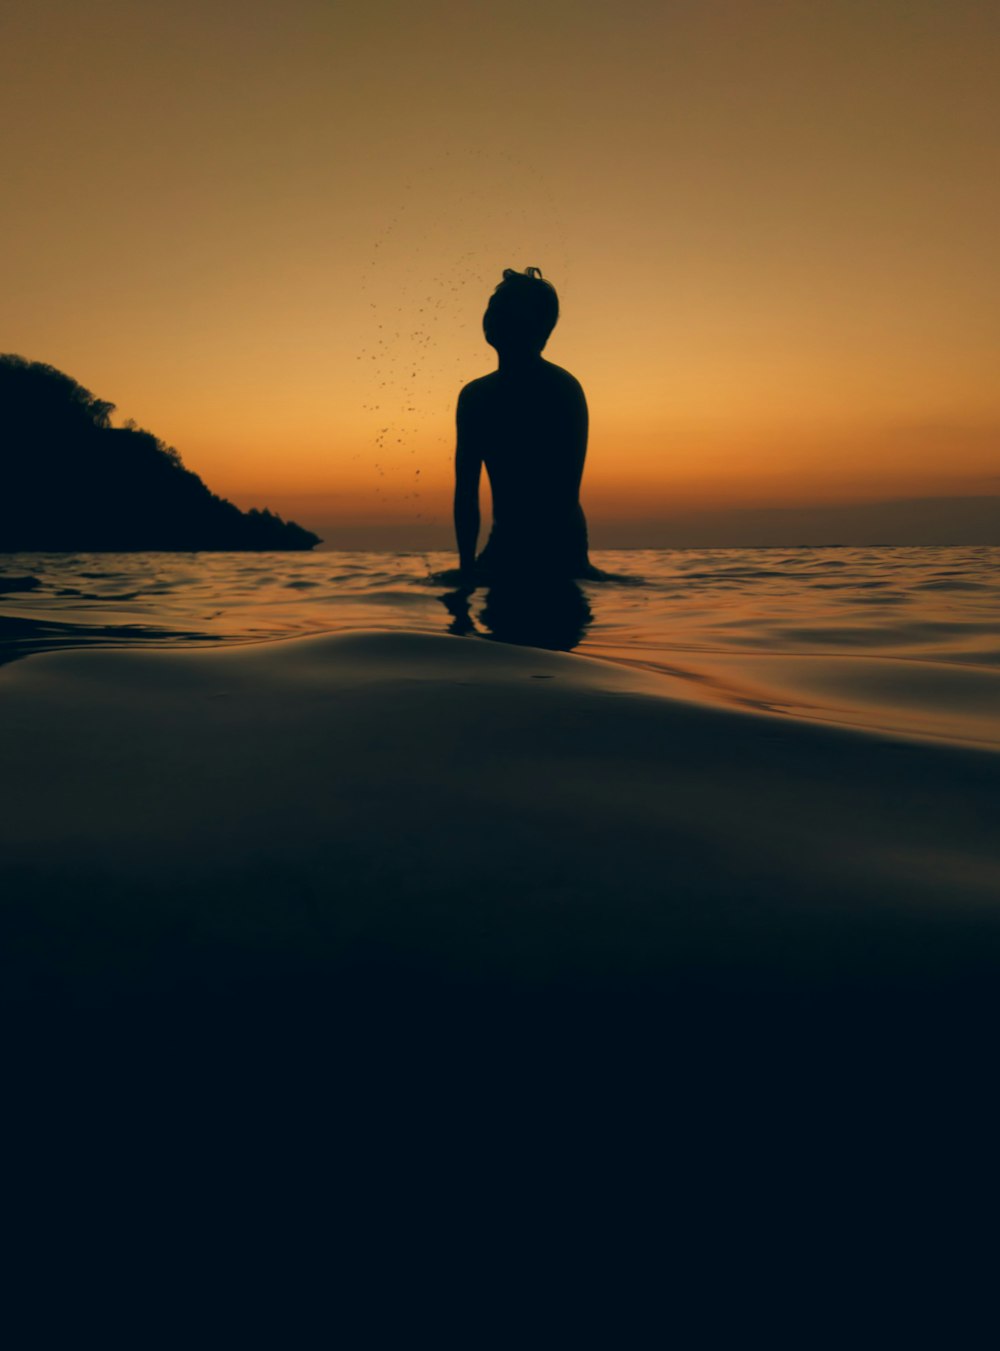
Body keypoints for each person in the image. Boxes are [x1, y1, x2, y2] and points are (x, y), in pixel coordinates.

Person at [448, 268, 604, 587]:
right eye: (492, 304)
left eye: (504, 306)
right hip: (505, 547)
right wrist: (466, 570)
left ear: (537, 324)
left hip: (557, 550)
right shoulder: (476, 395)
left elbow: (562, 491)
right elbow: (465, 492)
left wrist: (468, 575)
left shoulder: (558, 388)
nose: (492, 313)